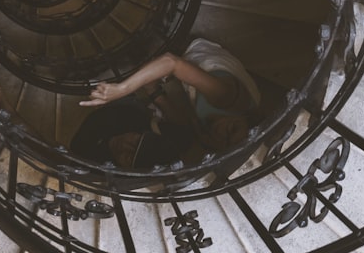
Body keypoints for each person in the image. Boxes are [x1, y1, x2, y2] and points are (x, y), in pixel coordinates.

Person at [73, 38, 261, 169]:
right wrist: (121, 89)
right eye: (233, 129)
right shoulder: (227, 98)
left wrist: (154, 92)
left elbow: (183, 126)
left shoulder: (209, 132)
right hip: (187, 47)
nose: (221, 133)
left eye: (225, 142)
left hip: (184, 75)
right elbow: (172, 62)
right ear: (245, 117)